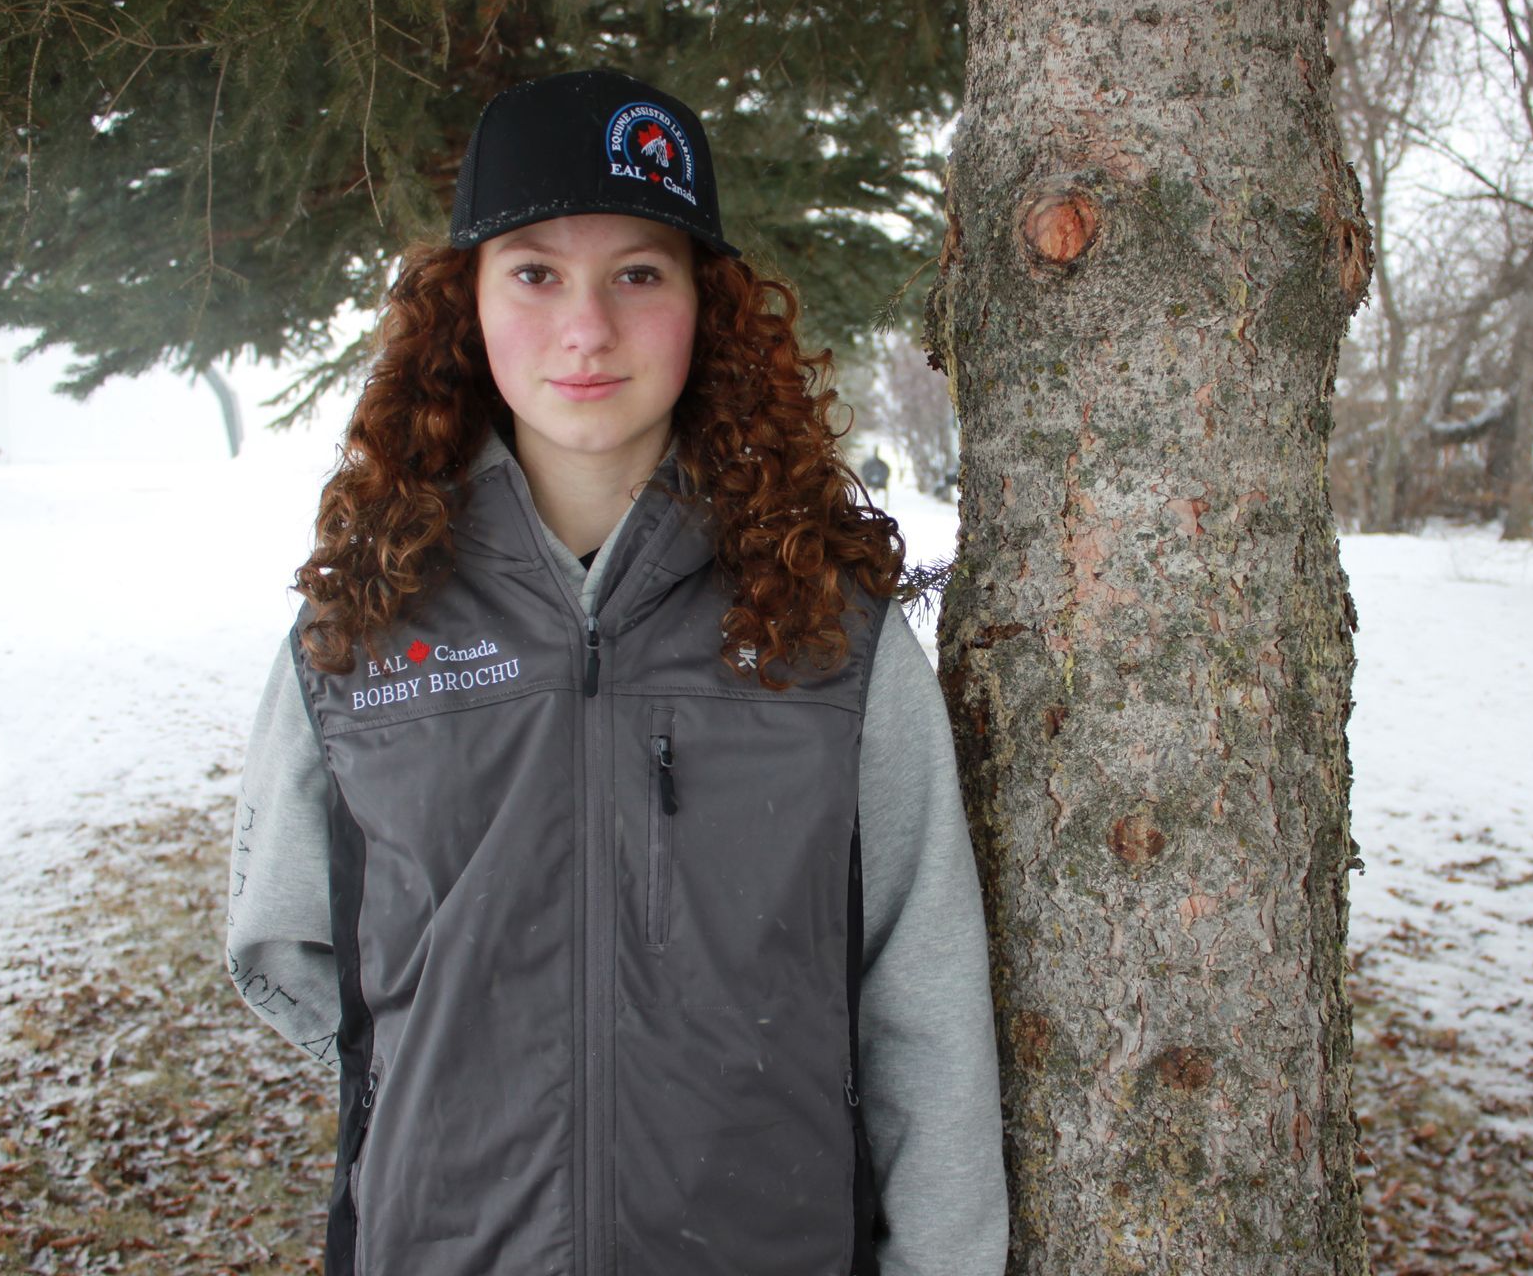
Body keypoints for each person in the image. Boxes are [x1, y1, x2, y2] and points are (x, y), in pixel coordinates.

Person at [223, 68, 1007, 1276]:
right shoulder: (362, 629)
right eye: (534, 271)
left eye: (639, 272)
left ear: (709, 304)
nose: (587, 327)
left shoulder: (826, 635)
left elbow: (928, 1004)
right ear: (466, 304)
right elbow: (290, 943)